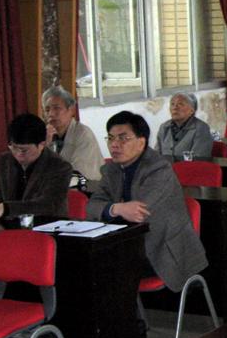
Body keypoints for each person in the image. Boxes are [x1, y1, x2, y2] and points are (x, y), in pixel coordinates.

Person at [87, 111, 208, 292]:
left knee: (103, 268)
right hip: (128, 244)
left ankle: (125, 311)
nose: (114, 144)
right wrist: (117, 208)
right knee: (86, 264)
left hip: (161, 250)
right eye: (110, 138)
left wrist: (111, 209)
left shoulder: (159, 169)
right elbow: (91, 206)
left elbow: (138, 213)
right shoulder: (112, 169)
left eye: (123, 138)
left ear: (141, 142)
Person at [0, 113, 71, 221]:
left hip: (45, 226)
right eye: (13, 147)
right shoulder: (4, 161)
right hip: (10, 225)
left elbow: (48, 205)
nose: (17, 154)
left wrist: (6, 208)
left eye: (23, 150)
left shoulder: (59, 167)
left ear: (41, 145)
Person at [42, 86, 105, 182]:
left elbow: (78, 174)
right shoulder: (46, 135)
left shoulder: (83, 134)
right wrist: (45, 145)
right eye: (47, 110)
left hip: (86, 187)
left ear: (71, 110)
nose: (51, 114)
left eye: (56, 108)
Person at [155, 92, 213, 162]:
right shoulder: (164, 127)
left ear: (192, 110)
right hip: (165, 168)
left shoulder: (201, 128)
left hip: (189, 168)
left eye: (180, 104)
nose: (175, 108)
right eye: (172, 104)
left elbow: (198, 159)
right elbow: (156, 156)